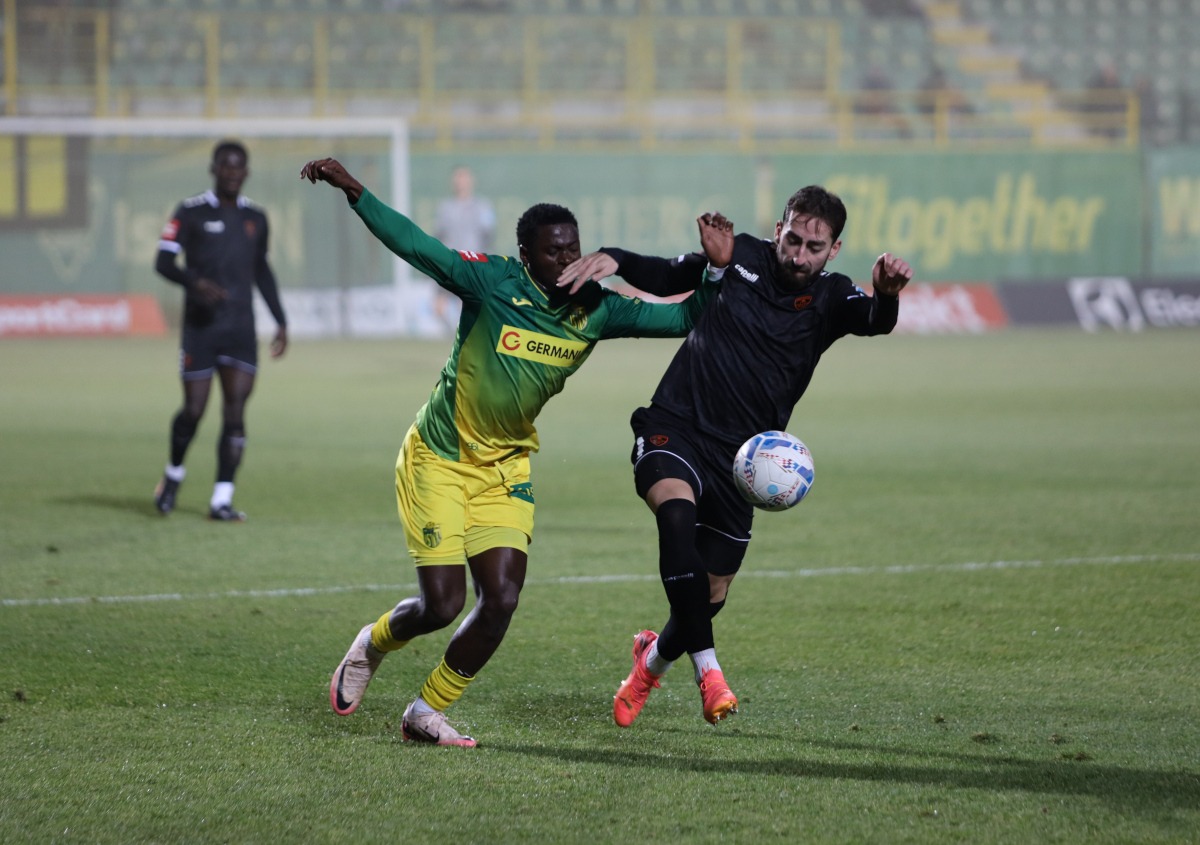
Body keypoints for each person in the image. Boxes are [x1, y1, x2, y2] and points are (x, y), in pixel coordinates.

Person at [300, 156, 722, 747]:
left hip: (504, 469)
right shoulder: (493, 281)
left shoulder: (596, 308)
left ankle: (426, 711)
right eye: (553, 252)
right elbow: (422, 249)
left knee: (501, 599)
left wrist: (716, 270)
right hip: (438, 459)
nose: (567, 260)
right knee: (442, 604)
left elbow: (685, 317)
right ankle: (372, 644)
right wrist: (356, 193)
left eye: (573, 249)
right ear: (526, 255)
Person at [557, 186, 913, 726]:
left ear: (834, 250)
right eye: (792, 239)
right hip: (674, 427)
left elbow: (874, 320)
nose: (799, 255)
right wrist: (618, 259)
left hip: (745, 464)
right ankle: (710, 672)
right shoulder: (739, 256)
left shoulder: (832, 297)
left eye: (814, 247)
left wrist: (885, 295)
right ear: (778, 229)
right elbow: (670, 275)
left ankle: (648, 665)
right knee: (675, 516)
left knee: (707, 593)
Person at [152, 140, 288, 522]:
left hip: (241, 330)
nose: (232, 172)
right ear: (213, 168)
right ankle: (173, 475)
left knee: (235, 412)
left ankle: (221, 500)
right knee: (193, 411)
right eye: (226, 166)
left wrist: (281, 319)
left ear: (246, 172)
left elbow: (261, 270)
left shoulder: (256, 219)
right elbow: (162, 262)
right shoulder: (191, 212)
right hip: (201, 328)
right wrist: (194, 282)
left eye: (239, 166)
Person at [432, 166, 496, 332]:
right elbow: (438, 235)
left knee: (465, 307)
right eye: (458, 179)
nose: (461, 183)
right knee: (438, 308)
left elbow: (489, 235)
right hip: (449, 262)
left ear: (471, 181)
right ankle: (454, 333)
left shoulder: (483, 206)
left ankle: (462, 340)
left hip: (471, 263)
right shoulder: (445, 208)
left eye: (464, 179)